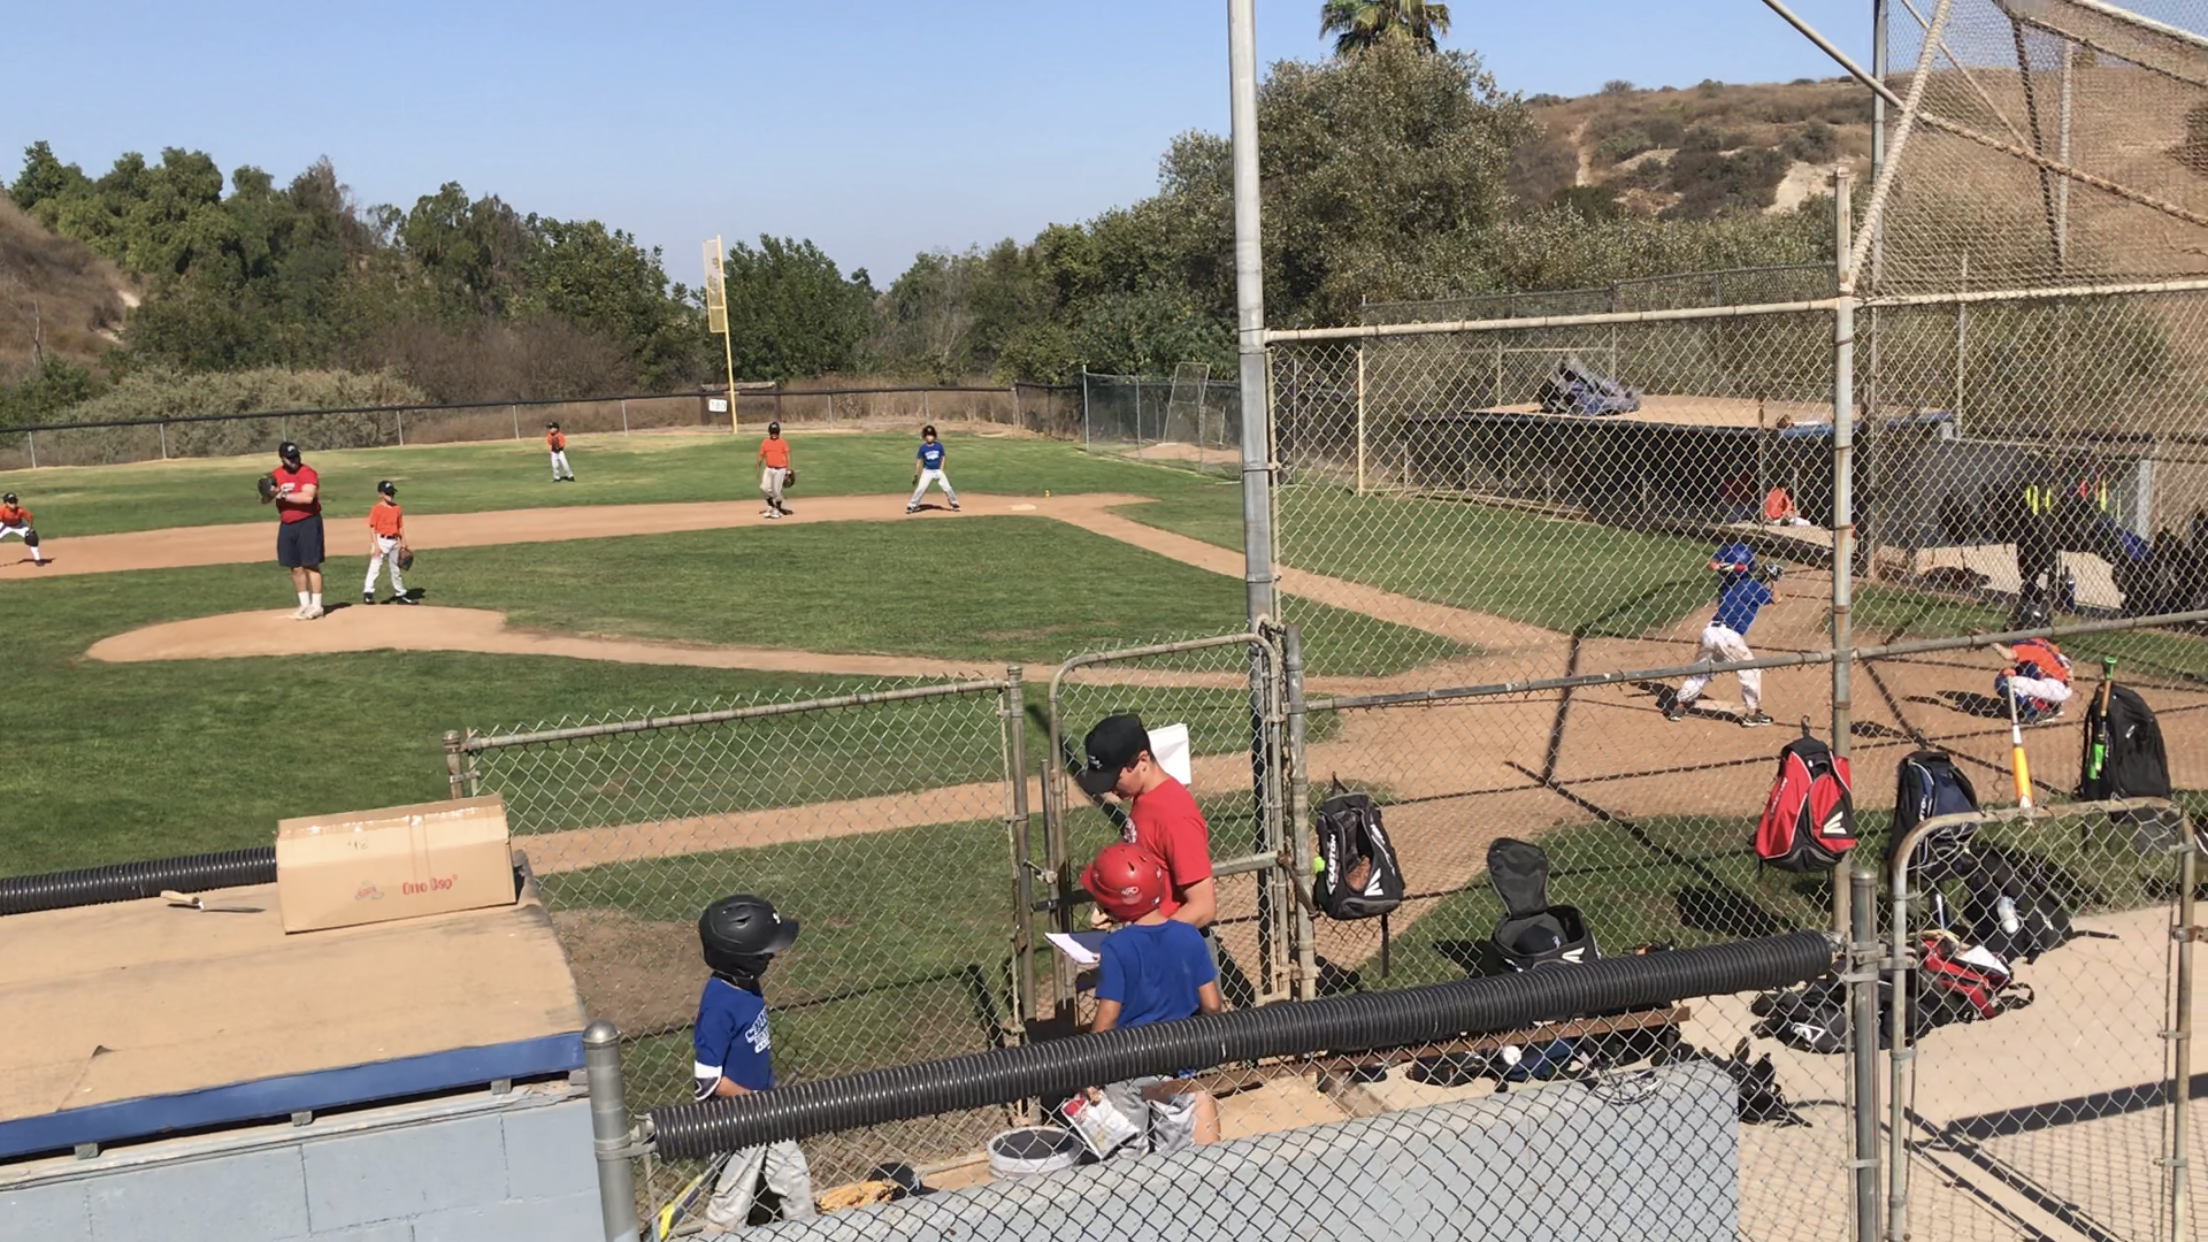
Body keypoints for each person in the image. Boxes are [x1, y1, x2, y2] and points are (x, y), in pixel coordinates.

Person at [1078, 842, 1224, 1155]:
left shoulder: (1117, 948)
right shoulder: (1188, 935)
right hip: (1179, 1060)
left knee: (1128, 1152)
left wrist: (1089, 1068)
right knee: (1179, 1152)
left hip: (1128, 1065)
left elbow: (1108, 1018)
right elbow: (1212, 1005)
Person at [693, 894, 814, 1233]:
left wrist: (768, 1095)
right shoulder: (718, 1007)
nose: (773, 955)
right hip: (738, 1119)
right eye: (766, 951)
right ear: (743, 960)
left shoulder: (746, 983)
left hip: (767, 1106)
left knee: (794, 1178)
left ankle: (811, 1232)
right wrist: (752, 1099)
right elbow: (706, 1081)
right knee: (732, 1201)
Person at [1076, 714, 1217, 935]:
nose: (1109, 788)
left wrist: (1144, 942)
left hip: (1175, 954)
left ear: (1142, 761)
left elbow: (1202, 908)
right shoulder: (1145, 798)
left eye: (1114, 778)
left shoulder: (1175, 816)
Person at [1665, 542, 1779, 728]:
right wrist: (1773, 579)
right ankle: (1752, 713)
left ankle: (1680, 704)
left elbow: (1744, 584)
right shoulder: (1753, 587)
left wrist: (1763, 577)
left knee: (1701, 670)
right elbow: (1775, 598)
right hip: (1730, 637)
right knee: (1750, 670)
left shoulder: (1726, 585)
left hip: (1710, 632)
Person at [264, 441, 326, 620]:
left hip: (308, 522)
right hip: (287, 523)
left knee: (310, 564)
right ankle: (304, 604)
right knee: (295, 566)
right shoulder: (276, 474)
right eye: (290, 458)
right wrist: (267, 492)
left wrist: (281, 494)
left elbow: (307, 497)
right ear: (282, 458)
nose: (294, 461)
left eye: (296, 456)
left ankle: (317, 606)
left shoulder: (307, 473)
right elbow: (266, 499)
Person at [1993, 632, 2073, 724]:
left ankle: (2034, 713)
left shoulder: (2028, 646)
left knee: (2002, 681)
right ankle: (2049, 707)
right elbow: (2064, 660)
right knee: (2025, 667)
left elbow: (2008, 655)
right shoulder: (2041, 641)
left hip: (2052, 687)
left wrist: (1992, 643)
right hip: (2060, 687)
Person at [362, 480, 415, 605]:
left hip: (394, 542)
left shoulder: (397, 508)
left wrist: (404, 542)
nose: (390, 496)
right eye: (387, 493)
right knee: (375, 567)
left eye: (391, 493)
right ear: (380, 494)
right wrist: (376, 546)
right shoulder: (377, 509)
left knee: (395, 570)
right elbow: (372, 528)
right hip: (380, 540)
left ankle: (400, 594)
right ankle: (368, 593)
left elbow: (400, 527)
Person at [906, 424, 961, 514]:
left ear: (934, 436)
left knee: (947, 488)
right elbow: (919, 461)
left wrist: (941, 469)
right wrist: (916, 473)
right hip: (927, 471)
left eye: (931, 435)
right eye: (927, 435)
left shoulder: (939, 446)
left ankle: (954, 503)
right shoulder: (923, 448)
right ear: (924, 437)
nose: (929, 437)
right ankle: (912, 505)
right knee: (921, 488)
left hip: (938, 471)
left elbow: (942, 457)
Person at [757, 422, 792, 519]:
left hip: (780, 469)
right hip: (769, 468)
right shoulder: (765, 442)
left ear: (779, 432)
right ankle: (771, 506)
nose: (774, 434)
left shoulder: (782, 442)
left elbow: (787, 455)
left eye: (776, 432)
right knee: (764, 488)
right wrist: (758, 465)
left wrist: (788, 470)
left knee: (776, 491)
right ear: (769, 432)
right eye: (772, 432)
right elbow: (761, 455)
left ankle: (777, 510)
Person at [0, 491, 45, 565]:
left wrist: (30, 529)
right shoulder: (2, 510)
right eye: (10, 501)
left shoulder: (20, 510)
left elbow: (30, 518)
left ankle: (38, 560)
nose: (13, 503)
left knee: (32, 538)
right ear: (6, 503)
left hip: (19, 526)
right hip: (5, 525)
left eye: (14, 501)